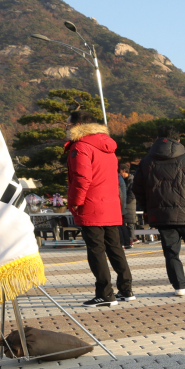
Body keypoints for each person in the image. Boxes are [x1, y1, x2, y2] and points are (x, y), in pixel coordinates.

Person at [132, 126, 185, 296]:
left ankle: (179, 286)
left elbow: (137, 189)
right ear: (178, 140)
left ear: (157, 139)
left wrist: (147, 208)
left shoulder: (146, 162)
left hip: (162, 215)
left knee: (171, 251)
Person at [65, 110, 133, 306]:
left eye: (68, 124)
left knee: (96, 250)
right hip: (110, 205)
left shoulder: (81, 146)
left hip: (91, 205)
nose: (66, 127)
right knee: (115, 248)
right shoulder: (108, 147)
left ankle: (105, 294)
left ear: (78, 125)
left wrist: (75, 201)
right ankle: (126, 289)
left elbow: (82, 178)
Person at [118, 164, 136, 248]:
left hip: (129, 204)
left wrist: (125, 202)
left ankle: (130, 240)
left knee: (129, 224)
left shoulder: (131, 180)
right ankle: (129, 240)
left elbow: (132, 193)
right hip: (126, 203)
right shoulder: (125, 180)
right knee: (126, 223)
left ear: (124, 170)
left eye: (120, 171)